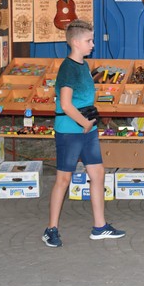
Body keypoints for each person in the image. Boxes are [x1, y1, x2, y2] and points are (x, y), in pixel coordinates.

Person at [42, 19, 125, 247]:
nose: (93, 44)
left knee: (98, 174)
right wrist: (85, 123)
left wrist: (89, 124)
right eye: (89, 40)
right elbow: (65, 104)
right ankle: (51, 229)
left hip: (87, 128)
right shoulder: (68, 68)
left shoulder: (83, 65)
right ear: (76, 42)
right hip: (71, 131)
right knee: (63, 179)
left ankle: (100, 226)